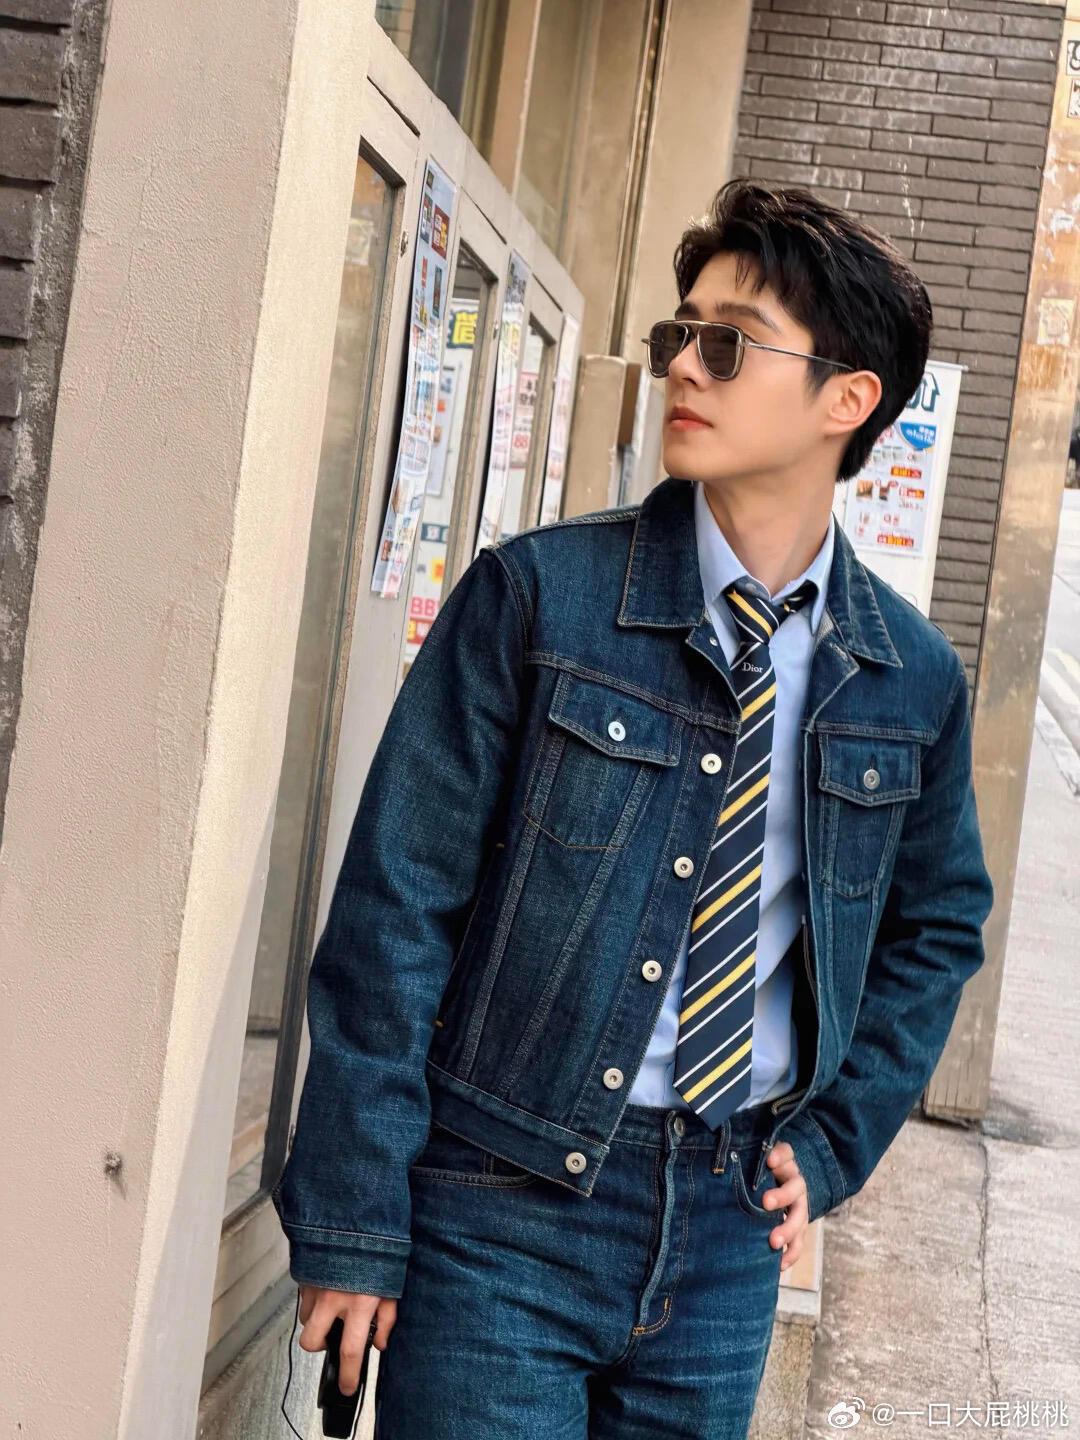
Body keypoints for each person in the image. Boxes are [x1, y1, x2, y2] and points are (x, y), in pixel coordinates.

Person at [271, 178, 994, 1437]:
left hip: (727, 1229)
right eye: (681, 335)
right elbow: (396, 908)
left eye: (732, 344)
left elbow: (936, 929)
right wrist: (354, 1218)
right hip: (499, 1212)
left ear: (848, 400)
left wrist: (834, 1143)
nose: (685, 367)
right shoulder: (539, 600)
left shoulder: (909, 680)